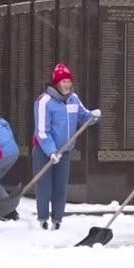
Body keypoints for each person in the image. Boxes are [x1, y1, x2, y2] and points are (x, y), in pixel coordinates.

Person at [32, 63, 100, 230]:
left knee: (60, 186)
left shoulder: (73, 99)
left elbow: (84, 116)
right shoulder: (44, 101)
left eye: (69, 81)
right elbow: (42, 131)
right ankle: (43, 219)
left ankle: (57, 219)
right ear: (56, 83)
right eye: (63, 81)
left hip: (65, 150)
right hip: (44, 151)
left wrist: (93, 116)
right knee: (44, 186)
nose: (67, 84)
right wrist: (51, 151)